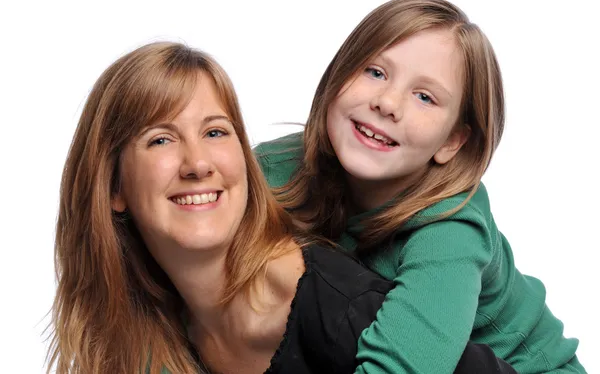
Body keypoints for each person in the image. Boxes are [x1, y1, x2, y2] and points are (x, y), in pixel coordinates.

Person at [47, 41, 516, 374]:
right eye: (161, 139)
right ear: (112, 186)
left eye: (214, 131)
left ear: (454, 141)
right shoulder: (148, 322)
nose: (198, 164)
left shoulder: (432, 241)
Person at [255, 0, 586, 373]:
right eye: (375, 72)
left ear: (451, 142)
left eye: (425, 97)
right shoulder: (278, 166)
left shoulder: (449, 232)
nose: (388, 102)